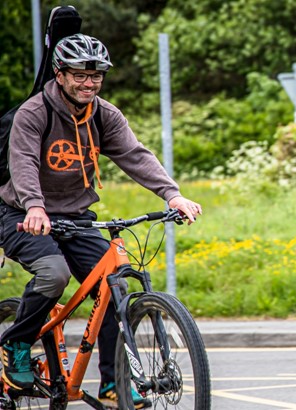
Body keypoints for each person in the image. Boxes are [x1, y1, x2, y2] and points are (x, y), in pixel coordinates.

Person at [0, 34, 201, 408]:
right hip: (22, 214)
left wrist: (172, 194)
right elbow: (23, 163)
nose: (88, 83)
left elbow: (135, 155)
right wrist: (34, 207)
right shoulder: (34, 113)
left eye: (96, 77)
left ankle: (113, 383)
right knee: (53, 274)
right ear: (60, 74)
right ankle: (16, 342)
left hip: (76, 217)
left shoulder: (103, 114)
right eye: (79, 75)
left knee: (113, 289)